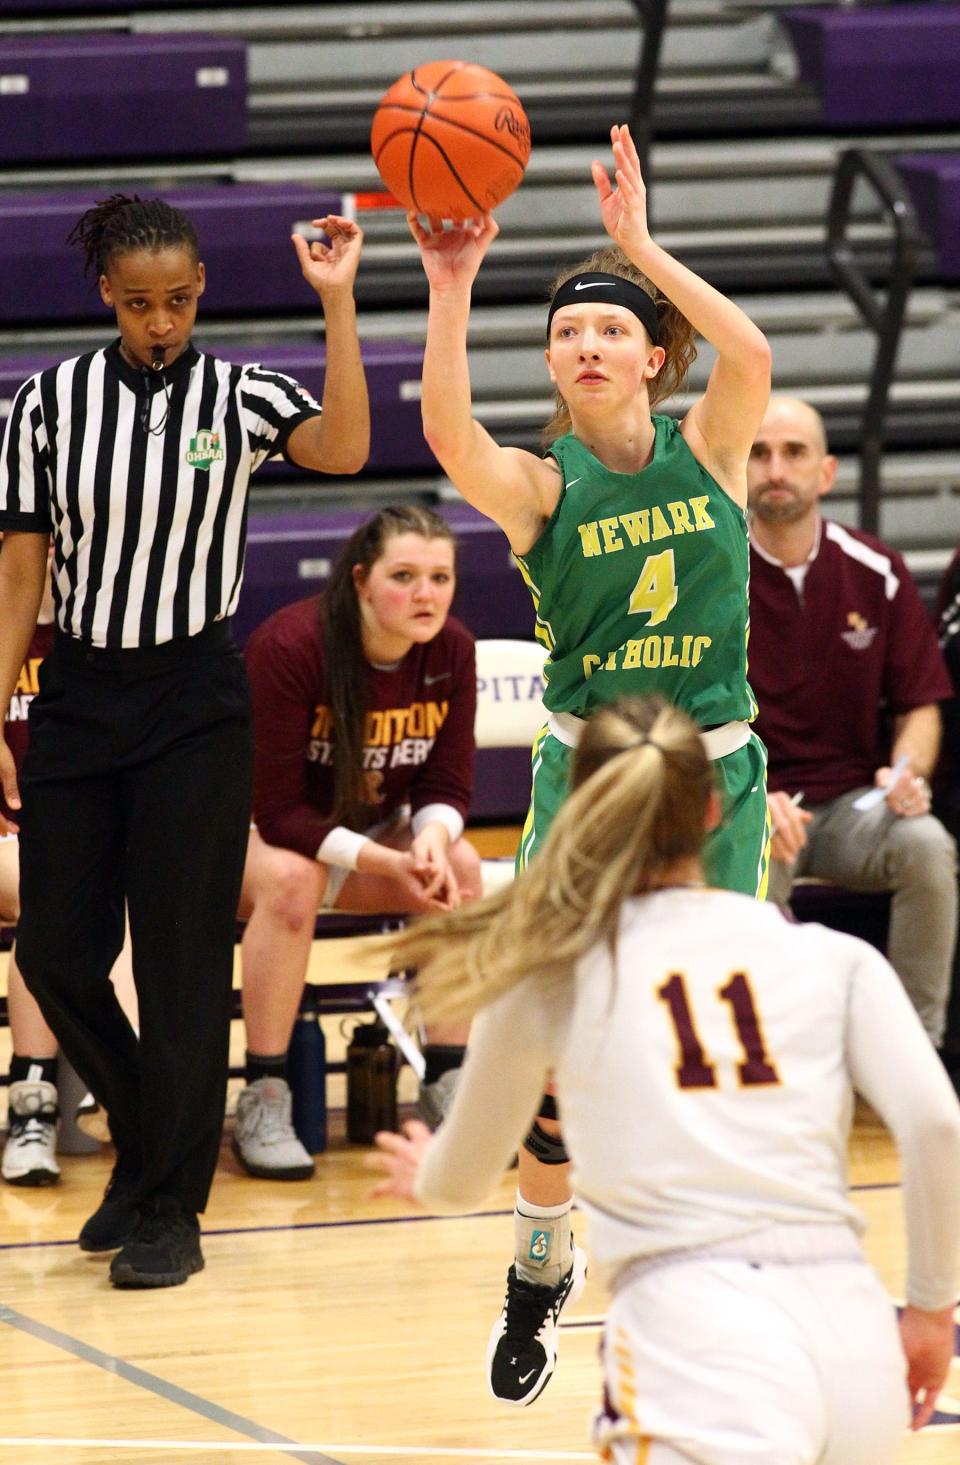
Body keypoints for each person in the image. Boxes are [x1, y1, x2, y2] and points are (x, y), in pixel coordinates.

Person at [408, 120, 772, 1403]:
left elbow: (755, 353)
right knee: (558, 1047)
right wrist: (452, 287)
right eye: (567, 333)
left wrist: (643, 249)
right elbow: (448, 436)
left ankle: (715, 1271)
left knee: (716, 1044)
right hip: (588, 787)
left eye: (611, 328)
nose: (586, 343)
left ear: (653, 359)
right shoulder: (543, 488)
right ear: (556, 371)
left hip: (714, 780)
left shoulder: (713, 449)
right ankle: (538, 1268)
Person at [371, 694, 960, 1463]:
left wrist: (430, 1177)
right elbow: (936, 1125)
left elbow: (463, 1175)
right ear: (717, 808)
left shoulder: (553, 977)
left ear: (579, 807)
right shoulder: (831, 956)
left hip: (694, 1334)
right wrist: (929, 1308)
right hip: (853, 1327)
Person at [0, 193, 369, 1287]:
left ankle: (171, 1206)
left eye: (178, 300)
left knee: (177, 961)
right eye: (138, 303)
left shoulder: (243, 392)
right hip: (76, 694)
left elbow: (346, 449)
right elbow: (21, 568)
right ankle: (152, 1135)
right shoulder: (47, 405)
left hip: (195, 700)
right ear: (106, 296)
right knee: (54, 953)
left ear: (200, 289)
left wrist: (337, 305)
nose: (161, 321)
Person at [234, 505, 482, 1179]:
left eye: (440, 576)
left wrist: (429, 838)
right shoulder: (292, 647)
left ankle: (450, 1078)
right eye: (405, 576)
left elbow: (450, 784)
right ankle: (265, 1090)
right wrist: (388, 859)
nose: (425, 594)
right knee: (294, 879)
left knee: (456, 864)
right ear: (361, 580)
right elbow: (279, 811)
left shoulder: (453, 649)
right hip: (251, 843)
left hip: (366, 841)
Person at [747, 396, 957, 1048]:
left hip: (852, 806)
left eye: (794, 452)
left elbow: (920, 703)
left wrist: (905, 772)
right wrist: (742, 793)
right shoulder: (706, 575)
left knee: (926, 847)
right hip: (751, 801)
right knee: (746, 857)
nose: (776, 469)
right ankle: (772, 1061)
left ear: (826, 472)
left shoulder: (877, 570)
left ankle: (915, 1053)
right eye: (759, 452)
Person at [0, 539, 137, 1187]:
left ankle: (135, 1102)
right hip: (11, 839)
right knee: (45, 891)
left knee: (135, 894)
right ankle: (32, 1101)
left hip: (67, 837)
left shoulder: (104, 633)